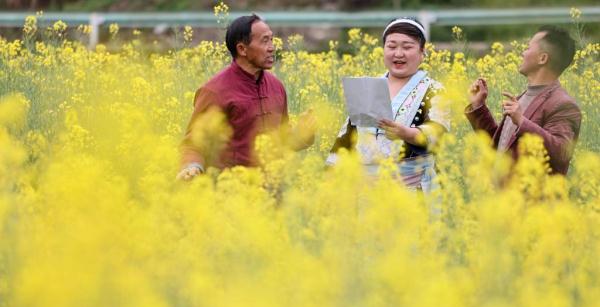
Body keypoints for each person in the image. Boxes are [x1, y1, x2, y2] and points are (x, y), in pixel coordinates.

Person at [177, 14, 313, 180]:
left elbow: (282, 140)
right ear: (242, 49)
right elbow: (193, 144)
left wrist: (303, 134)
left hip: (273, 191)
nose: (272, 47)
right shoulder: (214, 91)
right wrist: (192, 167)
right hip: (231, 193)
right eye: (264, 41)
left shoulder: (277, 87)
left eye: (272, 39)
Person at [326, 18, 449, 193]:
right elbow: (347, 137)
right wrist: (330, 179)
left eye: (407, 47)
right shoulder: (367, 87)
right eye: (392, 47)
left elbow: (438, 132)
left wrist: (405, 133)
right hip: (367, 192)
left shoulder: (434, 90)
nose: (398, 53)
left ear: (423, 53)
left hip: (414, 190)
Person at [466, 26, 581, 175]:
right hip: (505, 197)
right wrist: (478, 107)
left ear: (543, 58)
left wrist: (522, 121)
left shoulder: (563, 105)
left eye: (527, 48)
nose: (522, 53)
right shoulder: (522, 98)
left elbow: (562, 153)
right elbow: (501, 148)